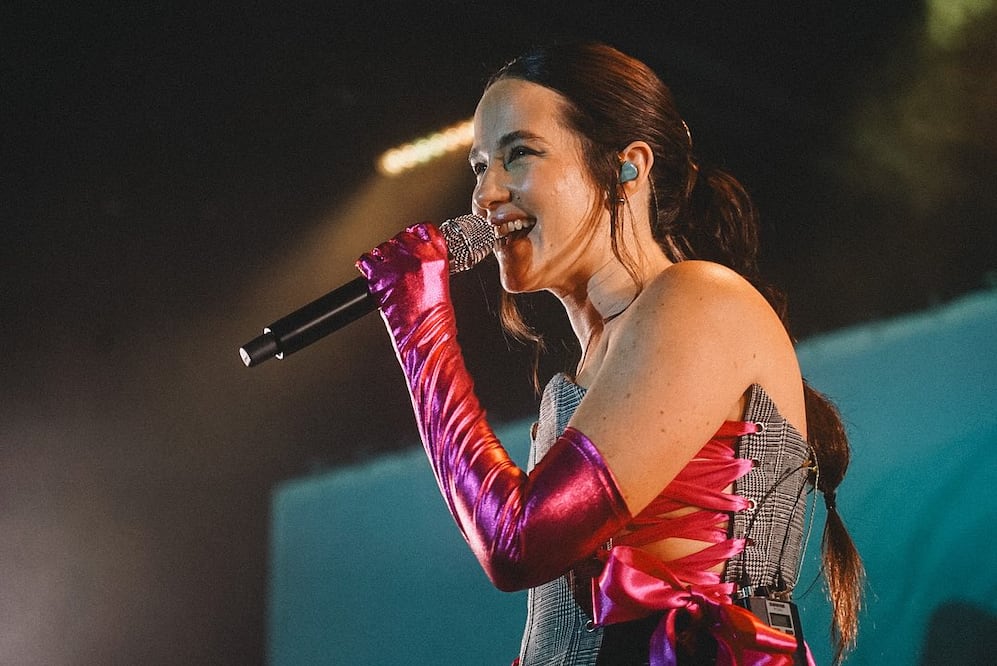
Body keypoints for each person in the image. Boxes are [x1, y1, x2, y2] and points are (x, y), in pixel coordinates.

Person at [357, 42, 863, 665]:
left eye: (519, 154)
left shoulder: (700, 299)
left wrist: (419, 326)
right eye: (478, 166)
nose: (485, 194)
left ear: (627, 166)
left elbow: (519, 540)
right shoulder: (569, 388)